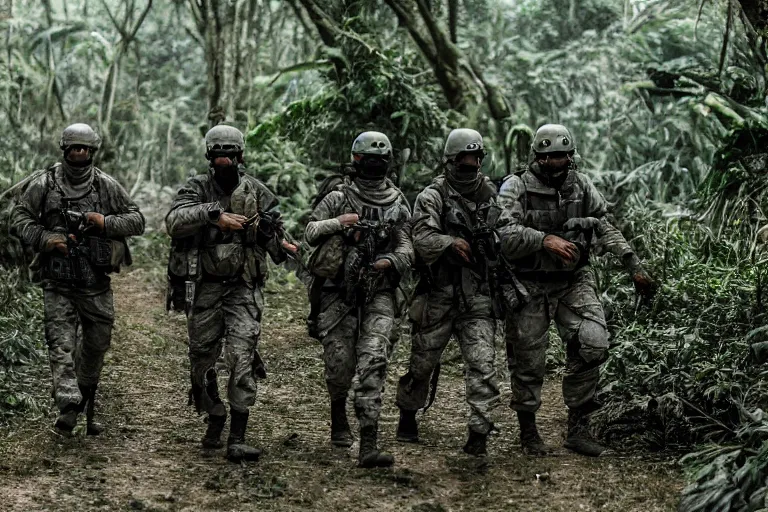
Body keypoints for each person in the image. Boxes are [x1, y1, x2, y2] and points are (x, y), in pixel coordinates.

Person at [499, 123, 656, 456]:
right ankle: (528, 431)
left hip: (573, 279)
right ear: (537, 156)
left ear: (572, 156)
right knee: (528, 357)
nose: (557, 163)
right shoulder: (516, 186)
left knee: (593, 343)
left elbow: (603, 223)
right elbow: (506, 235)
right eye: (550, 157)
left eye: (563, 157)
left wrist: (633, 266)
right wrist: (544, 239)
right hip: (528, 282)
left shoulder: (581, 185)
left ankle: (579, 429)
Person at [166, 124, 296, 462]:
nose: (225, 159)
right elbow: (174, 221)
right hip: (205, 286)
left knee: (242, 357)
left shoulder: (257, 192)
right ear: (210, 155)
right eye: (218, 153)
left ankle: (237, 436)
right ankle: (214, 414)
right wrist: (214, 215)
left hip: (242, 288)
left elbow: (275, 232)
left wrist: (281, 242)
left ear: (240, 155)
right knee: (202, 361)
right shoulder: (197, 187)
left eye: (230, 153)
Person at [10, 123, 145, 434]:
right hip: (57, 281)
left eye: (84, 149)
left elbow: (137, 219)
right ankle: (68, 402)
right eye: (74, 148)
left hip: (95, 282)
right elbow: (19, 217)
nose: (79, 154)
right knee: (60, 343)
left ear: (92, 152)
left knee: (97, 345)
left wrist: (104, 222)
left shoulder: (105, 186)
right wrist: (46, 238)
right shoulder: (45, 183)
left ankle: (78, 404)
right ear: (65, 150)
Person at [395, 128, 508, 457]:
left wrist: (492, 245)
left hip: (477, 295)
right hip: (438, 293)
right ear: (450, 160)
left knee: (483, 364)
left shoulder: (490, 194)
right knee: (421, 364)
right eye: (464, 159)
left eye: (476, 159)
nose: (471, 165)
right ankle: (407, 415)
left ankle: (478, 433)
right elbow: (421, 238)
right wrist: (449, 243)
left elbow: (505, 234)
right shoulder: (432, 195)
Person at [304, 131, 413, 468]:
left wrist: (391, 261)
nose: (374, 166)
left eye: (380, 160)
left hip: (379, 291)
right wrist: (339, 223)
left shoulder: (397, 200)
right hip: (338, 293)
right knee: (339, 365)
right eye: (368, 160)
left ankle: (368, 441)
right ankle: (339, 414)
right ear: (355, 161)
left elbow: (407, 245)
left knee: (374, 360)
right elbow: (309, 232)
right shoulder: (338, 196)